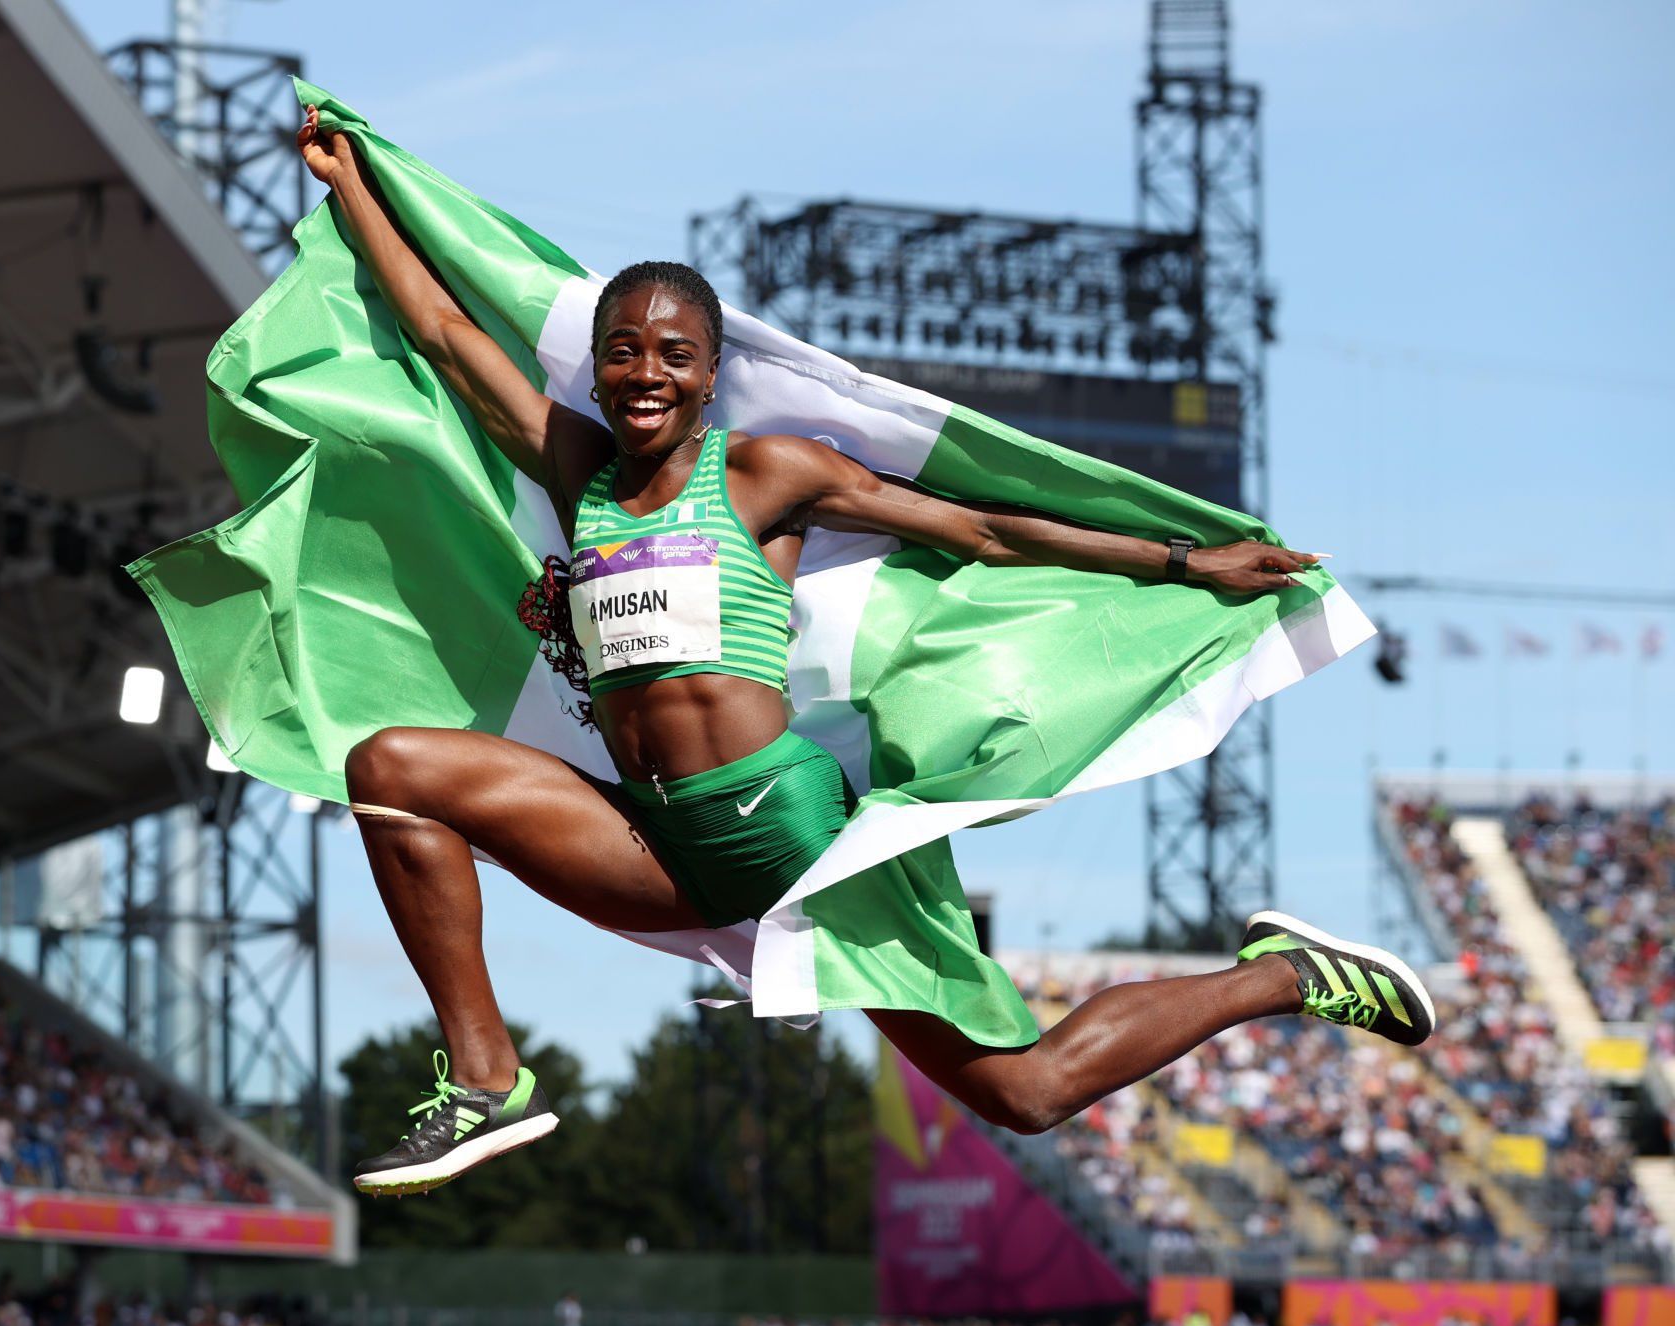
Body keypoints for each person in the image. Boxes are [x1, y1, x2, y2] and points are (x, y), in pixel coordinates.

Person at [296, 110, 1436, 1197]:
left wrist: (1185, 566)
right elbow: (447, 335)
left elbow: (984, 528)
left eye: (673, 354)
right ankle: (486, 1082)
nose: (644, 372)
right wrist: (354, 189)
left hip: (790, 837)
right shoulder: (576, 473)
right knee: (390, 768)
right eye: (622, 353)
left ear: (707, 372)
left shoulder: (763, 474)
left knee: (1029, 1092)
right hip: (653, 839)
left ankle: (1284, 975)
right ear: (594, 371)